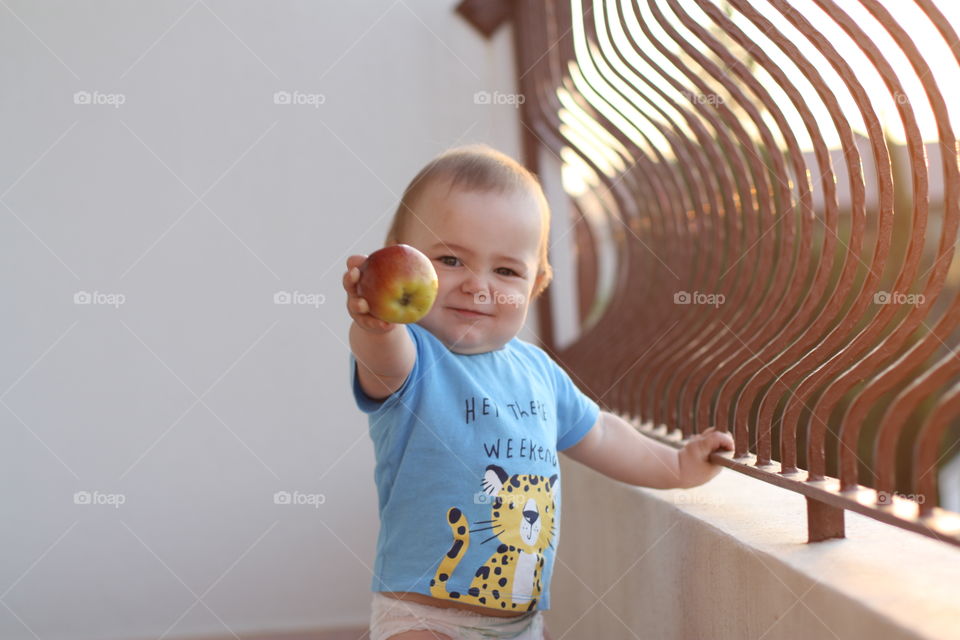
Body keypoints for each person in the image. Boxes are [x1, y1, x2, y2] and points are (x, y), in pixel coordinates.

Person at [343, 144, 734, 640]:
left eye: (506, 271)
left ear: (538, 283)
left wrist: (676, 468)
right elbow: (381, 357)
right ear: (403, 261)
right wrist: (376, 326)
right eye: (450, 259)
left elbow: (602, 435)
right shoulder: (414, 357)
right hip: (424, 619)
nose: (478, 286)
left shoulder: (538, 373)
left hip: (523, 623)